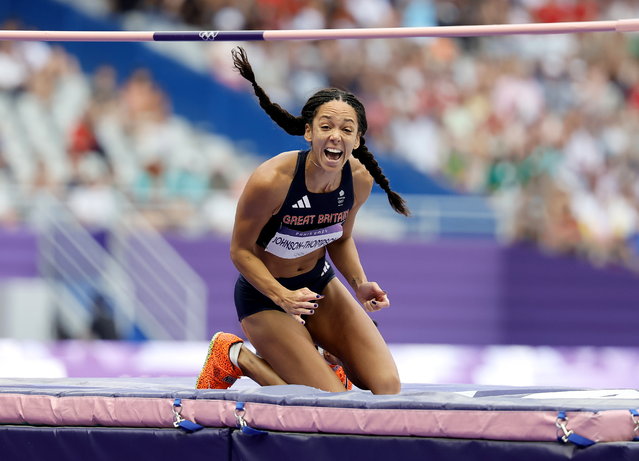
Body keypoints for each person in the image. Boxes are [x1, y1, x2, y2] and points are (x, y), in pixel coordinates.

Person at [196, 46, 410, 395]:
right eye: (326, 126)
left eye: (346, 129)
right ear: (309, 132)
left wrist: (359, 284)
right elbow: (240, 252)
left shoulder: (359, 180)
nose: (335, 135)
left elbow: (340, 238)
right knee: (334, 406)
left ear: (357, 140)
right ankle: (236, 356)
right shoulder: (271, 180)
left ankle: (323, 358)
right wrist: (281, 296)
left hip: (319, 287)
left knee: (387, 387)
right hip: (265, 297)